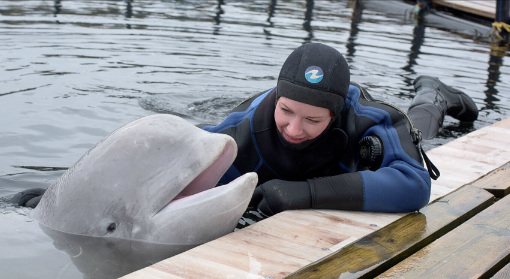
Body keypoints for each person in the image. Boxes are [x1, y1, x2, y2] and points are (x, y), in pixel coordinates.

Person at [200, 42, 477, 217]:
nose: (294, 129)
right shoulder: (242, 128)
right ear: (277, 98)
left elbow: (414, 185)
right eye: (286, 111)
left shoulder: (367, 119)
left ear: (335, 115)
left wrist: (305, 194)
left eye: (313, 120)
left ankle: (433, 95)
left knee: (425, 136)